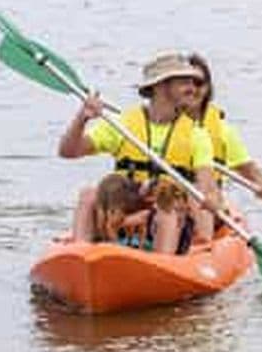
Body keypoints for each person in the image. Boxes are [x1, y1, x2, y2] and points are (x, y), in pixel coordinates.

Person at [58, 52, 220, 254]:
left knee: (167, 206)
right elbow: (68, 151)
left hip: (169, 210)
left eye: (194, 82)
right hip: (127, 203)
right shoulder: (123, 124)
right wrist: (82, 119)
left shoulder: (196, 134)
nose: (192, 89)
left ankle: (163, 264)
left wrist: (209, 197)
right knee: (88, 195)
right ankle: (79, 253)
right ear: (161, 86)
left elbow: (206, 182)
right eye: (184, 82)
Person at [185, 52, 262, 203]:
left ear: (208, 87)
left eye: (198, 83)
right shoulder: (161, 123)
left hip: (205, 202)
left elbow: (247, 167)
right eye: (185, 84)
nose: (192, 90)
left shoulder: (222, 130)